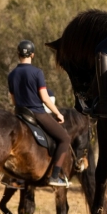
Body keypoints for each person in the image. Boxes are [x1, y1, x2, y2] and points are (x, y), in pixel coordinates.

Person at [8, 40, 71, 187]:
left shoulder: (12, 74)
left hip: (19, 113)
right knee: (65, 138)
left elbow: (13, 100)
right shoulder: (37, 72)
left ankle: (11, 177)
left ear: (18, 54)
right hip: (37, 113)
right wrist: (57, 114)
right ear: (33, 55)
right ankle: (55, 176)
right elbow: (45, 98)